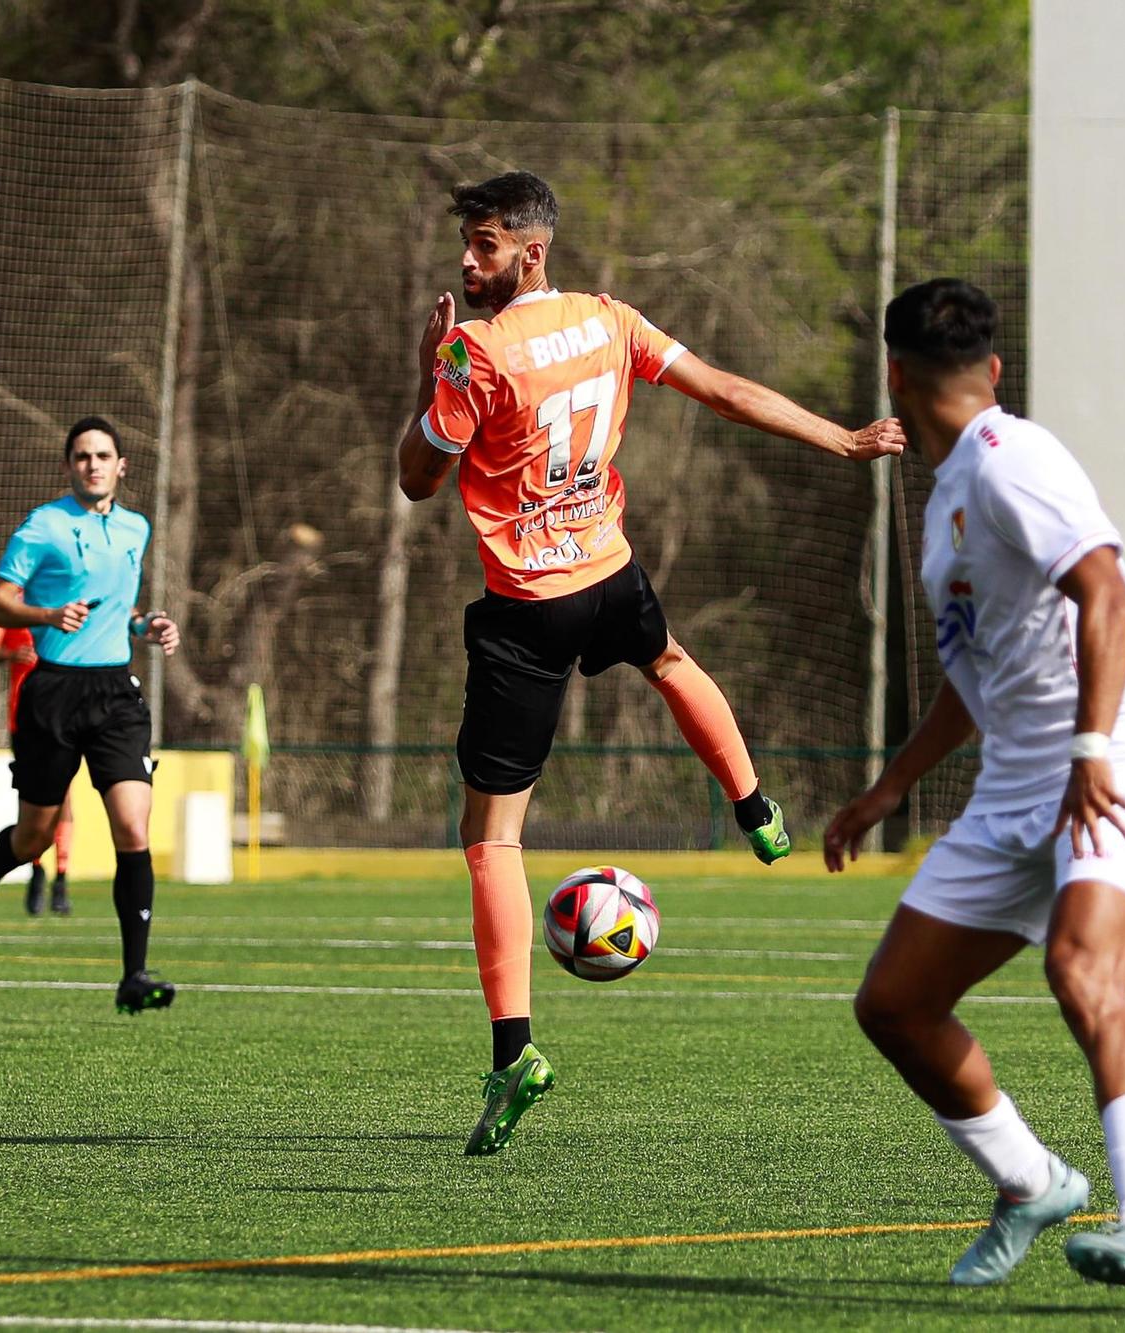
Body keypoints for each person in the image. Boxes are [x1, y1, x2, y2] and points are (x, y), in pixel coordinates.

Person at [396, 170, 905, 1156]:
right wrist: (838, 437)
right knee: (668, 657)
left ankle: (513, 1053)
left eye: (486, 244)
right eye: (467, 241)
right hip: (609, 569)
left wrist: (431, 382)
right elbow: (723, 389)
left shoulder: (476, 351)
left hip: (528, 609)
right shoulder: (606, 319)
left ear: (530, 250)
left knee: (491, 838)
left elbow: (418, 481)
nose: (468, 260)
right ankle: (754, 806)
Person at [824, 279, 1125, 1304]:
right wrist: (885, 790)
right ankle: (1031, 1182)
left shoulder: (1010, 460)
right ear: (988, 366)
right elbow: (972, 679)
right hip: (1018, 785)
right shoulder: (946, 496)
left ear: (892, 377)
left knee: (1082, 974)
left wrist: (1088, 746)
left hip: (1110, 773)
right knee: (895, 1005)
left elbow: (1106, 590)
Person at [0, 416, 182, 1015]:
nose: (92, 465)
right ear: (69, 466)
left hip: (115, 693)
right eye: (81, 457)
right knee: (34, 836)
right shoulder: (42, 526)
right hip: (52, 692)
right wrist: (46, 617)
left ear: (122, 465)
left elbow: (116, 611)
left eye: (102, 455)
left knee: (132, 826)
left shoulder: (135, 529)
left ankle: (133, 974)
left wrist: (148, 627)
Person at [0, 621, 75, 916]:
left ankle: (62, 878)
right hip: (26, 721)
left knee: (64, 799)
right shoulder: (12, 603)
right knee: (35, 802)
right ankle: (38, 871)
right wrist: (10, 653)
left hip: (66, 717)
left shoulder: (68, 599)